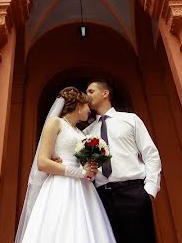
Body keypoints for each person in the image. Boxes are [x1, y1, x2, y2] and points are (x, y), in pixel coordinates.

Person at [15, 87, 117, 243]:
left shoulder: (81, 133)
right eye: (86, 106)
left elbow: (82, 164)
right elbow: (42, 162)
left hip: (83, 187)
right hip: (60, 185)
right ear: (78, 106)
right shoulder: (56, 122)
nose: (89, 110)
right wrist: (79, 173)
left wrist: (90, 169)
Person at [84, 81, 161, 243]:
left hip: (133, 193)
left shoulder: (130, 119)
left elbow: (151, 154)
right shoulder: (87, 133)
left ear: (105, 93)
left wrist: (149, 191)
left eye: (91, 91)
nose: (87, 95)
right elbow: (88, 168)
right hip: (102, 197)